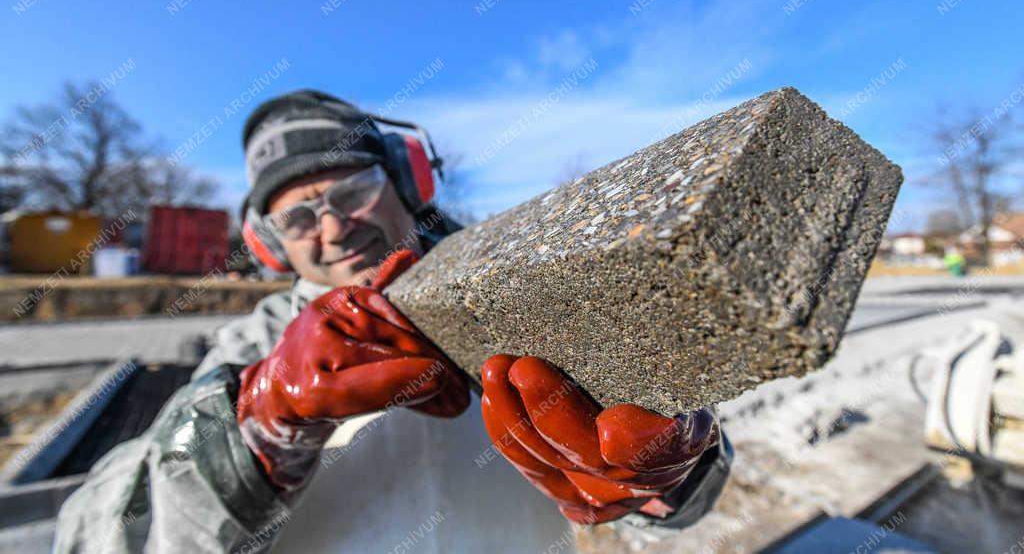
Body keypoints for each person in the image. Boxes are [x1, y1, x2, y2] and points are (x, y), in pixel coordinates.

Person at [54, 90, 731, 553]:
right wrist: (258, 421)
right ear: (269, 246)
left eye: (353, 191)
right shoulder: (249, 353)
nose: (331, 225)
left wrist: (666, 479)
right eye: (297, 217)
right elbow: (92, 534)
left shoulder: (523, 303)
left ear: (407, 184)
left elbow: (672, 515)